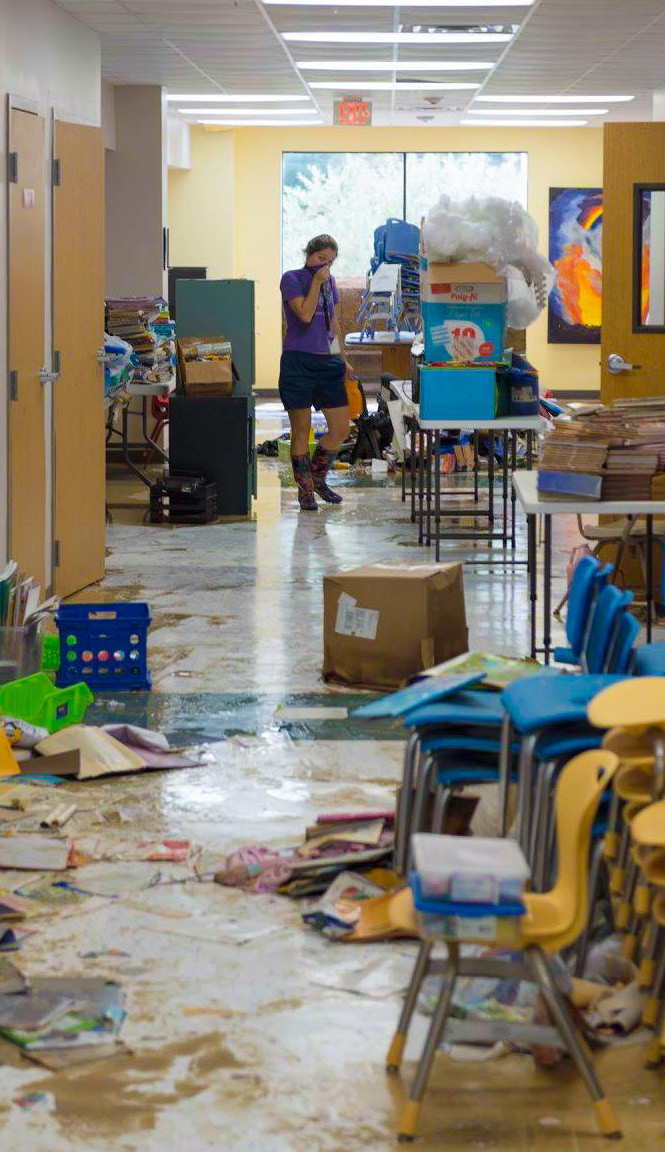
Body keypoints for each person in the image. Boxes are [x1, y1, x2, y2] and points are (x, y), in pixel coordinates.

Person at [279, 234, 351, 511]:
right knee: (301, 430)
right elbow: (306, 315)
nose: (325, 265)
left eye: (330, 261)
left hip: (327, 362)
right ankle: (305, 490)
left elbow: (333, 323)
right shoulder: (292, 278)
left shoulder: (330, 282)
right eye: (321, 259)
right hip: (299, 362)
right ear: (309, 254)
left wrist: (343, 357)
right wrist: (318, 282)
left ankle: (317, 477)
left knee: (341, 427)